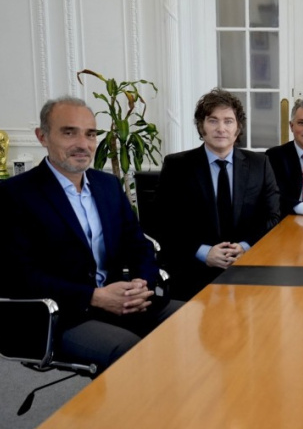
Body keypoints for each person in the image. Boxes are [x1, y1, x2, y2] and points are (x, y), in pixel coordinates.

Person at [0, 96, 182, 373]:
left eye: (90, 134)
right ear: (42, 136)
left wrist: (141, 283)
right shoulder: (14, 194)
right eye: (69, 132)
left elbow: (138, 245)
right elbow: (19, 276)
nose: (83, 144)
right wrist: (93, 296)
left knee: (196, 320)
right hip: (61, 315)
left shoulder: (107, 185)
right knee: (131, 352)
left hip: (119, 301)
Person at [155, 88, 281, 300]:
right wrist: (203, 252)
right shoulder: (177, 166)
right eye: (213, 121)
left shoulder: (260, 164)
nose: (221, 128)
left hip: (249, 268)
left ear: (238, 127)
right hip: (193, 272)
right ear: (201, 126)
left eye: (228, 121)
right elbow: (163, 222)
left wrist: (244, 247)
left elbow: (273, 217)